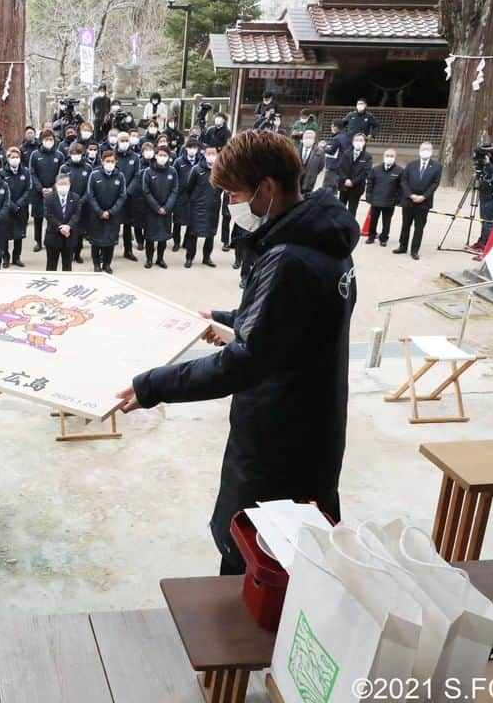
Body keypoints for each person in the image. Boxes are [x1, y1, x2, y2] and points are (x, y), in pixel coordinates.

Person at [116, 129, 358, 576]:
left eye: (234, 194)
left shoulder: (290, 259)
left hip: (281, 435)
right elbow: (291, 325)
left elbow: (246, 363)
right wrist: (232, 319)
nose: (232, 205)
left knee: (258, 555)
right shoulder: (324, 240)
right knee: (294, 549)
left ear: (267, 189)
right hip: (313, 424)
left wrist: (153, 385)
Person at [395, 142, 441, 260]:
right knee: (405, 225)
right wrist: (410, 195)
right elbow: (404, 181)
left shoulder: (436, 166)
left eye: (428, 149)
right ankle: (402, 246)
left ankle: (415, 250)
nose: (425, 151)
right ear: (419, 150)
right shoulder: (411, 164)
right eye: (423, 149)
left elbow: (435, 184)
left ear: (431, 151)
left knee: (419, 227)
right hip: (409, 200)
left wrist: (424, 196)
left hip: (424, 202)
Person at [87, 149, 127, 273]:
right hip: (96, 215)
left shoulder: (120, 176)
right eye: (107, 161)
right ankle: (96, 264)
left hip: (113, 216)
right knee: (96, 241)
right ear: (102, 162)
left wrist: (111, 211)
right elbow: (90, 195)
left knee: (110, 241)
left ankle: (107, 264)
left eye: (112, 161)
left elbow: (122, 196)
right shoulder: (94, 175)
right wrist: (100, 212)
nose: (110, 163)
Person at [140, 145, 179, 269]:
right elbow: (146, 191)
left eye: (165, 155)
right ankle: (149, 259)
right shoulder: (148, 171)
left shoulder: (172, 171)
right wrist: (157, 207)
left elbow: (174, 190)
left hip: (166, 211)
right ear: (155, 156)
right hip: (151, 211)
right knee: (150, 237)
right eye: (160, 155)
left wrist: (166, 207)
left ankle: (160, 259)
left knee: (163, 237)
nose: (162, 158)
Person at [183, 145, 221, 268]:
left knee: (210, 234)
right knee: (193, 234)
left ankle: (206, 258)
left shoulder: (220, 169)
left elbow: (221, 187)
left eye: (213, 154)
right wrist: (194, 200)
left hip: (213, 207)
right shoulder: (196, 169)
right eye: (209, 154)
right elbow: (189, 188)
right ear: (204, 155)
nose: (211, 156)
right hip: (197, 207)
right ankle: (189, 258)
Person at [29, 129, 66, 253]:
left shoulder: (59, 155)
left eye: (50, 139)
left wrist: (53, 188)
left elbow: (61, 174)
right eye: (46, 139)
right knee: (38, 218)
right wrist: (40, 188)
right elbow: (32, 173)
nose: (48, 141)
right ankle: (38, 242)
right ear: (41, 140)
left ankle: (53, 240)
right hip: (38, 193)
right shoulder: (35, 155)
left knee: (54, 217)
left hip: (55, 192)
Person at [60, 143, 93, 264]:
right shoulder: (65, 167)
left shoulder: (88, 168)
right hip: (68, 204)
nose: (76, 156)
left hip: (83, 204)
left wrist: (81, 200)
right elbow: (61, 184)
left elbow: (90, 187)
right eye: (73, 153)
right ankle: (67, 254)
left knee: (79, 232)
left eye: (78, 153)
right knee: (68, 230)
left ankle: (77, 254)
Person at [43, 173, 82, 271]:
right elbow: (48, 215)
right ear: (56, 185)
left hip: (69, 237)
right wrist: (60, 227)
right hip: (53, 237)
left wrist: (68, 226)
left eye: (66, 184)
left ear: (70, 185)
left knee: (67, 266)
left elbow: (76, 215)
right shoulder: (49, 198)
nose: (63, 186)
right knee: (51, 266)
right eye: (61, 184)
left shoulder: (75, 198)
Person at [364, 149, 402, 246]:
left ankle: (384, 238)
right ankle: (371, 236)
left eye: (392, 156)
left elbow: (401, 187)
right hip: (376, 199)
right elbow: (370, 183)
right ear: (384, 156)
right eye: (387, 155)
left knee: (387, 221)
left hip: (390, 201)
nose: (389, 157)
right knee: (373, 219)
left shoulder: (399, 171)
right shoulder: (375, 169)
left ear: (395, 157)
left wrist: (398, 199)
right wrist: (368, 195)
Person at [114, 131, 142, 260]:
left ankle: (128, 250)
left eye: (126, 140)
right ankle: (107, 251)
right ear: (117, 142)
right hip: (114, 195)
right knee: (112, 224)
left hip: (129, 196)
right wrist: (119, 191)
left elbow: (137, 175)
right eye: (122, 140)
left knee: (127, 224)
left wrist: (128, 190)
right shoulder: (112, 155)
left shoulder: (135, 157)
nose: (124, 143)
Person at [3, 147, 32, 267]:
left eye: (17, 157)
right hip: (6, 208)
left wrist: (19, 204)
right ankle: (5, 257)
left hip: (22, 208)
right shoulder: (2, 173)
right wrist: (11, 205)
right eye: (12, 157)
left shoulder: (26, 172)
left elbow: (28, 189)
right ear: (8, 159)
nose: (15, 159)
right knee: (4, 234)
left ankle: (16, 257)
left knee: (19, 234)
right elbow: (2, 191)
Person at [172, 137, 200, 252]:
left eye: (194, 148)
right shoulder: (179, 162)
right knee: (177, 221)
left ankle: (186, 242)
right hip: (180, 195)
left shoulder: (200, 162)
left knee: (191, 221)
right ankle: (176, 242)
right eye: (190, 147)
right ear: (186, 148)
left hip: (193, 196)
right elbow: (174, 178)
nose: (192, 150)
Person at [336, 132, 372, 220]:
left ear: (364, 142)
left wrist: (353, 181)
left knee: (352, 209)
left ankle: (349, 228)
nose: (358, 142)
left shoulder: (367, 156)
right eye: (356, 140)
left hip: (357, 187)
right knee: (341, 207)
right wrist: (345, 179)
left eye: (361, 140)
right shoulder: (346, 153)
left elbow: (365, 172)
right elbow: (340, 168)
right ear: (352, 142)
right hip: (344, 185)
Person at [322, 119, 351, 194]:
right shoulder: (346, 136)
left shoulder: (337, 138)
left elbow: (331, 151)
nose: (331, 127)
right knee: (334, 188)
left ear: (336, 127)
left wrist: (323, 147)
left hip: (333, 165)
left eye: (332, 126)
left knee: (327, 188)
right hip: (341, 165)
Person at [298, 129, 325, 196]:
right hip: (297, 179)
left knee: (306, 198)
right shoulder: (296, 149)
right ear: (303, 138)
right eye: (306, 137)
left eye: (310, 138)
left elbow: (321, 166)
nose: (308, 139)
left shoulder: (319, 151)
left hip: (309, 179)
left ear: (314, 139)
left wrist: (313, 173)